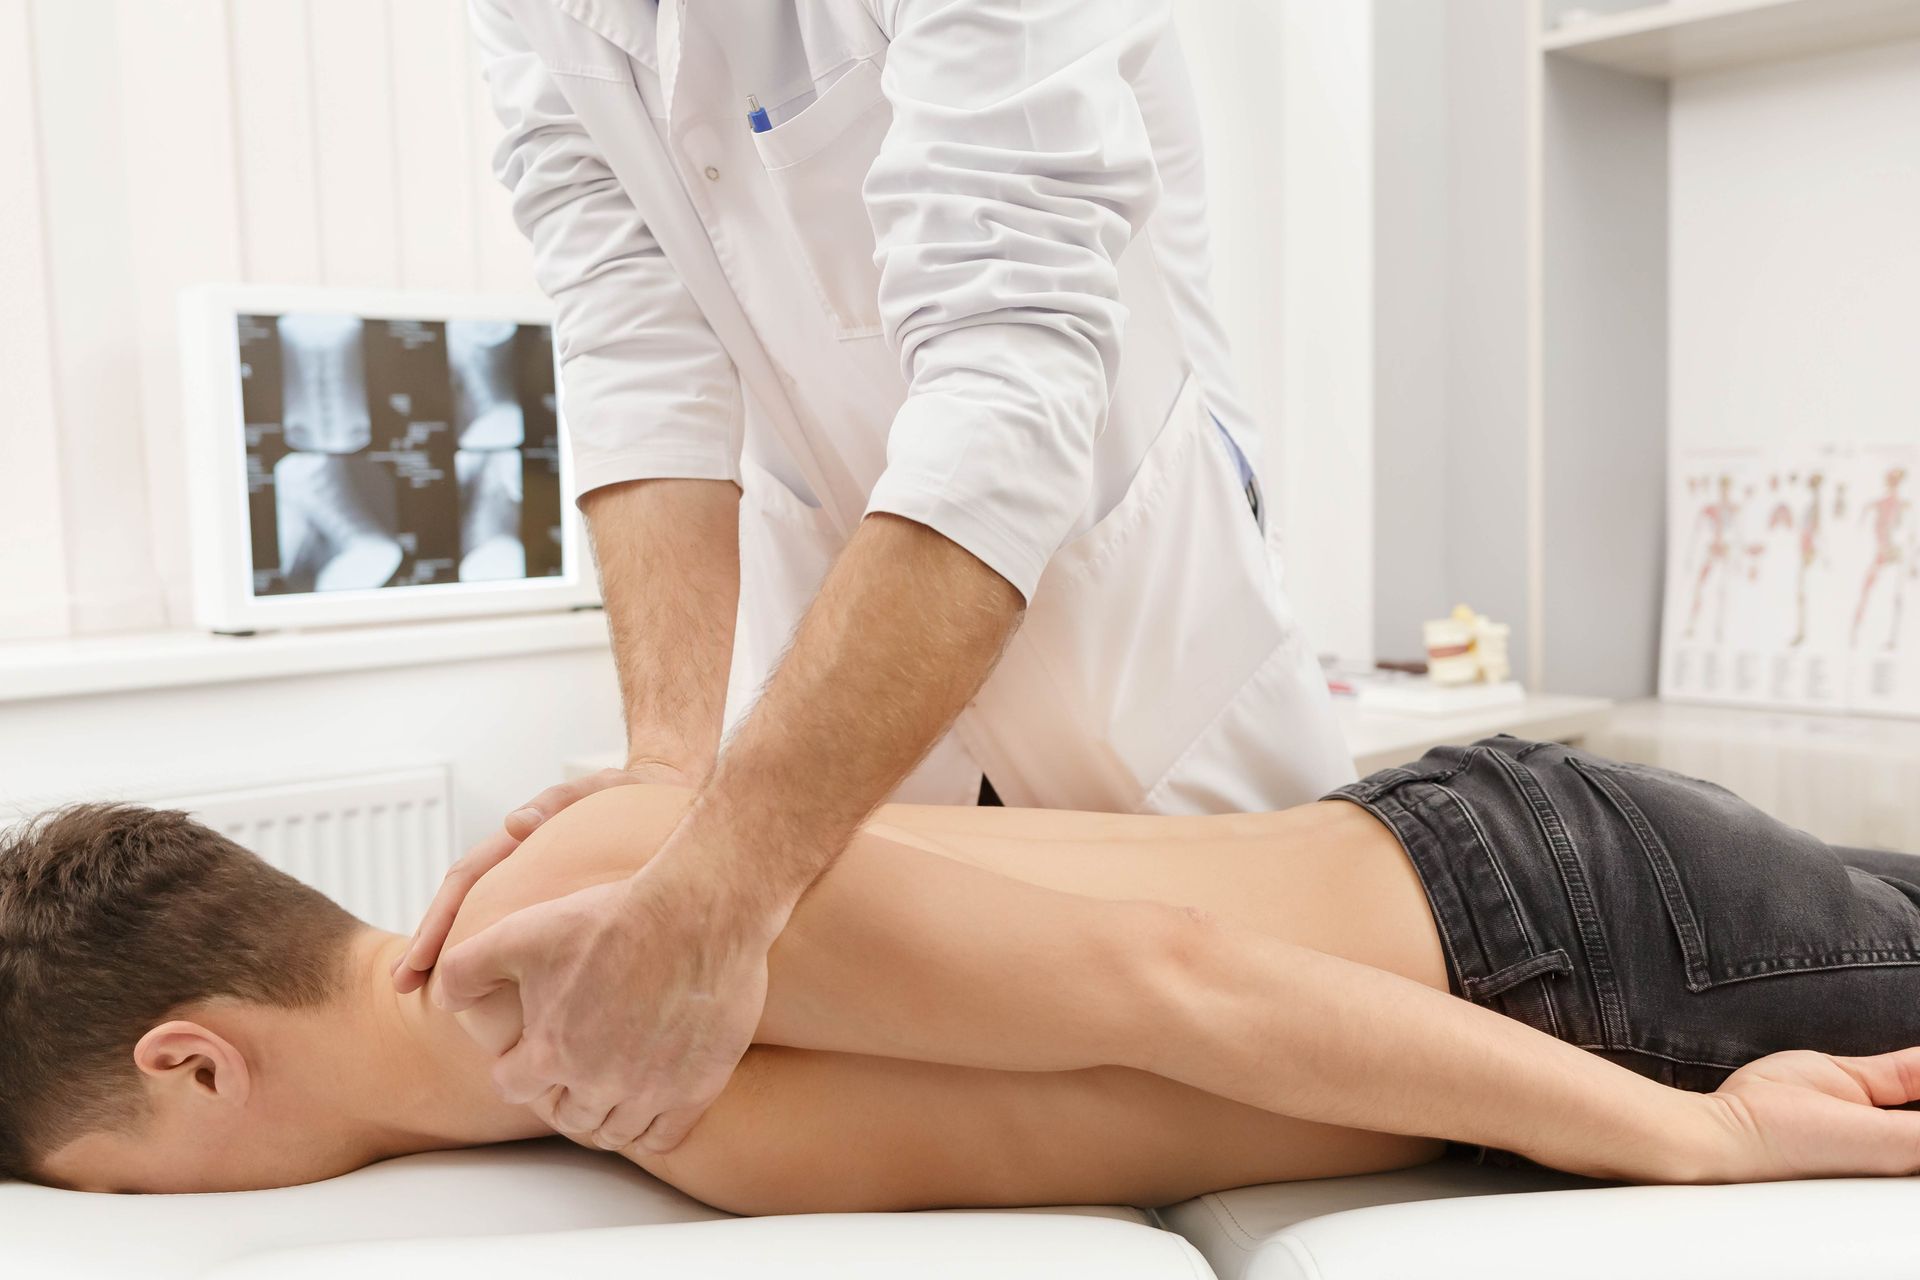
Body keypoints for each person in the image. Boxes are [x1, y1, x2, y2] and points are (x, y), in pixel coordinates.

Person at [403, 0, 1357, 1158]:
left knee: (1275, 1056)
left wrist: (720, 885)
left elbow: (1008, 384)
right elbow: (635, 352)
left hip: (1128, 636)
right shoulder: (529, 16)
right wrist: (667, 772)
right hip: (846, 679)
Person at [20, 737, 1920, 1204]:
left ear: (192, 1063)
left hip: (1562, 947)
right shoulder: (545, 1054)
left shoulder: (579, 927)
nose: (132, 1221)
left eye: (110, 1190)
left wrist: (1704, 1141)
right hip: (1525, 929)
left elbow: (1170, 976)